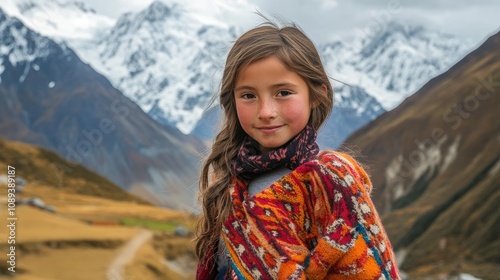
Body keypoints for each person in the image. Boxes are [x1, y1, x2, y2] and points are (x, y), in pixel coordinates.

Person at [195, 21, 400, 279]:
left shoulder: (331, 183)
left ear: (316, 95)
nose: (266, 112)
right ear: (231, 100)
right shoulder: (228, 183)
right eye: (248, 95)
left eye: (283, 92)